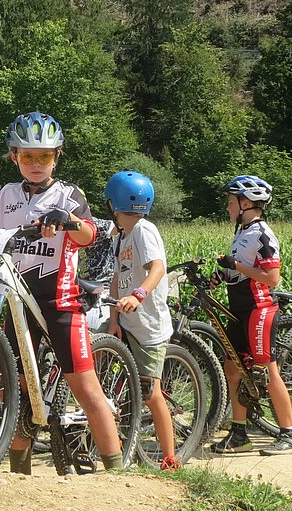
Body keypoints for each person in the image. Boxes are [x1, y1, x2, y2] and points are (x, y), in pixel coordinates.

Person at [0, 112, 123, 474]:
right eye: (27, 156)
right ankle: (19, 478)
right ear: (14, 157)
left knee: (87, 390)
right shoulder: (7, 195)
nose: (36, 164)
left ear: (57, 157)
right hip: (17, 304)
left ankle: (118, 474)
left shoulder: (68, 194)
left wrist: (66, 220)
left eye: (44, 156)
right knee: (17, 395)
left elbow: (88, 234)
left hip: (59, 303)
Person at [209, 175, 292, 455]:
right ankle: (239, 434)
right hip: (239, 308)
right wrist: (219, 275)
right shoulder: (242, 232)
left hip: (259, 309)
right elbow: (240, 269)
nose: (228, 208)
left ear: (246, 203)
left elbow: (272, 277)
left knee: (266, 370)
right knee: (233, 367)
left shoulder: (262, 233)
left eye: (230, 202)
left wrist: (234, 264)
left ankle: (290, 433)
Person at [103, 171, 179, 470]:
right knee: (116, 386)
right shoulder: (121, 236)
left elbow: (158, 268)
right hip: (125, 323)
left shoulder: (143, 231)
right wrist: (112, 320)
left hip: (148, 327)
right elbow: (115, 280)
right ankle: (118, 441)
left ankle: (170, 456)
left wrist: (137, 295)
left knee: (151, 392)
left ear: (113, 203)